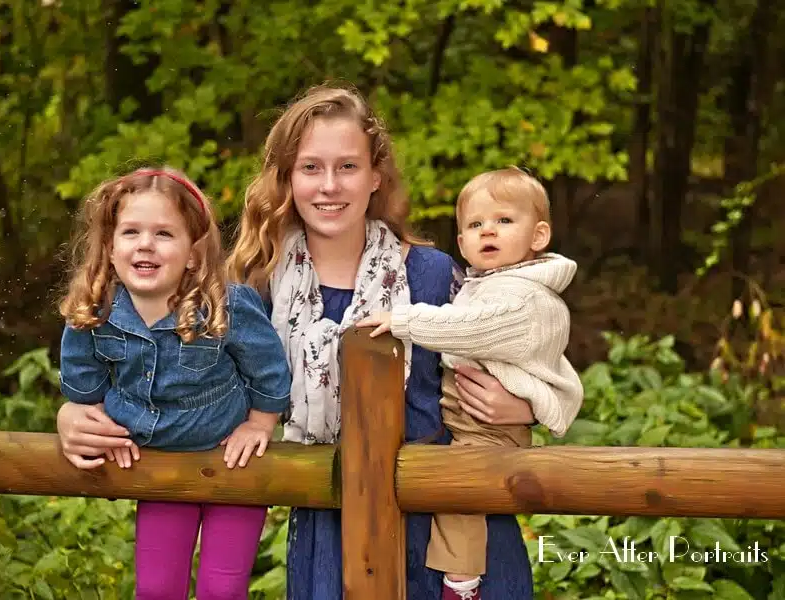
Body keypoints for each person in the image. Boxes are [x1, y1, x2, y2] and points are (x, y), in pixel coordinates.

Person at [55, 85, 536, 599]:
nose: (329, 186)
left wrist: (521, 405)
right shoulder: (251, 286)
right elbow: (167, 378)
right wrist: (72, 414)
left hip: (443, 524)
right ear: (286, 177)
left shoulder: (431, 273)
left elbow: (527, 358)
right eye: (310, 168)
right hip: (326, 512)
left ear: (376, 176)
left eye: (347, 167)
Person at [57, 167, 291, 600]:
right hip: (157, 467)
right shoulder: (96, 311)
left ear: (192, 253)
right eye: (131, 232)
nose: (145, 243)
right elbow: (81, 388)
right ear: (109, 248)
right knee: (156, 588)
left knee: (222, 590)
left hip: (231, 463)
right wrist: (85, 418)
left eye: (164, 233)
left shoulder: (224, 304)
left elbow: (270, 370)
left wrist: (260, 423)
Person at [358, 167, 583, 600]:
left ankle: (461, 585)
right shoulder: (492, 284)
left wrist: (403, 319)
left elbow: (469, 328)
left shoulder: (524, 298)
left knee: (458, 490)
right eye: (475, 225)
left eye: (503, 221)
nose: (488, 231)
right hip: (469, 416)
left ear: (538, 236)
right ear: (461, 243)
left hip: (487, 429)